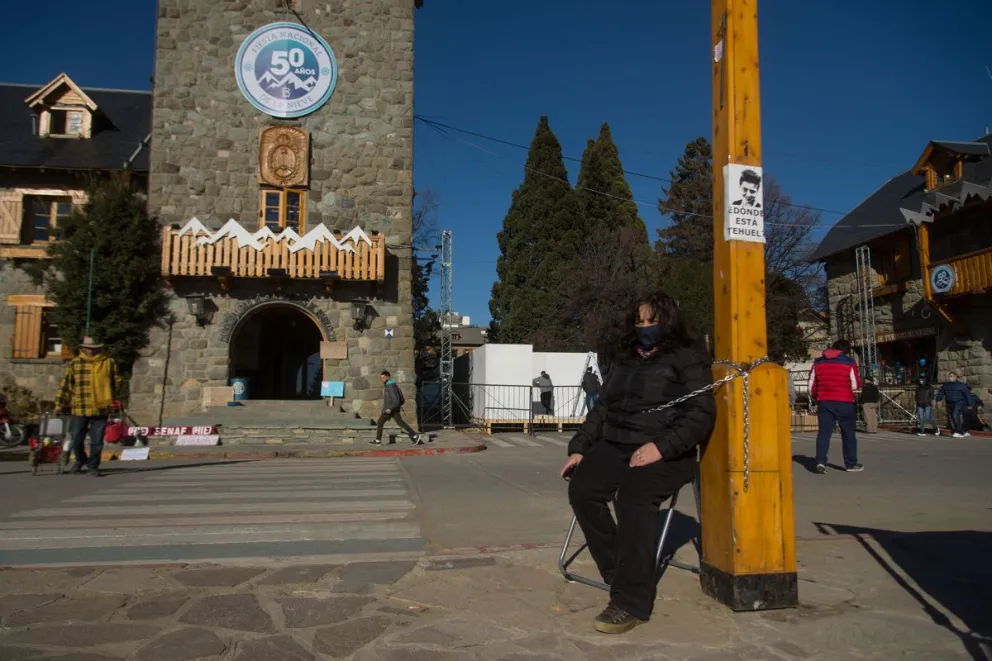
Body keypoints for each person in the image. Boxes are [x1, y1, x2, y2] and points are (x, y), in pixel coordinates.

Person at [561, 293, 716, 635]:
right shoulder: (625, 357)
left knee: (631, 496)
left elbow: (701, 413)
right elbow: (602, 409)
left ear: (670, 321)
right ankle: (620, 571)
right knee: (583, 488)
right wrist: (580, 447)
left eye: (653, 321)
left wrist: (660, 446)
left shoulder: (688, 356)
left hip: (667, 451)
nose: (646, 328)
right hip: (616, 442)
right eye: (640, 321)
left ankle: (631, 602)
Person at [54, 336, 122, 478]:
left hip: (101, 407)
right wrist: (59, 404)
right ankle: (80, 459)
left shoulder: (108, 362)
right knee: (76, 438)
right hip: (80, 407)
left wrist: (111, 396)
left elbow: (117, 381)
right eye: (88, 348)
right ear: (83, 348)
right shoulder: (76, 363)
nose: (91, 351)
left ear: (99, 349)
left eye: (94, 348)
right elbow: (66, 385)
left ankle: (93, 466)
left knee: (97, 441)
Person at [809, 339, 863, 473]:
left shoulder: (818, 362)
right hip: (844, 401)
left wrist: (816, 397)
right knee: (848, 434)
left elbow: (811, 384)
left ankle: (821, 462)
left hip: (825, 401)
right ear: (846, 350)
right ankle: (850, 463)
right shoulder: (849, 362)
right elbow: (855, 384)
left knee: (824, 433)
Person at [371, 371, 422, 446]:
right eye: (381, 377)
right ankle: (415, 436)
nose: (382, 379)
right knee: (400, 422)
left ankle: (378, 441)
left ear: (388, 377)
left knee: (380, 422)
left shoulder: (390, 386)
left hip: (390, 409)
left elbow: (396, 400)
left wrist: (390, 408)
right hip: (393, 408)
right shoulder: (390, 385)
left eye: (383, 377)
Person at [936, 372, 972, 438]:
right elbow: (941, 393)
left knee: (955, 415)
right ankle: (961, 431)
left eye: (952, 376)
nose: (950, 377)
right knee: (952, 418)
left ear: (956, 377)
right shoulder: (945, 385)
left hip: (959, 402)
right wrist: (939, 399)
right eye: (950, 376)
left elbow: (967, 395)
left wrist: (969, 404)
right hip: (949, 403)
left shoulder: (961, 385)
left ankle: (959, 432)